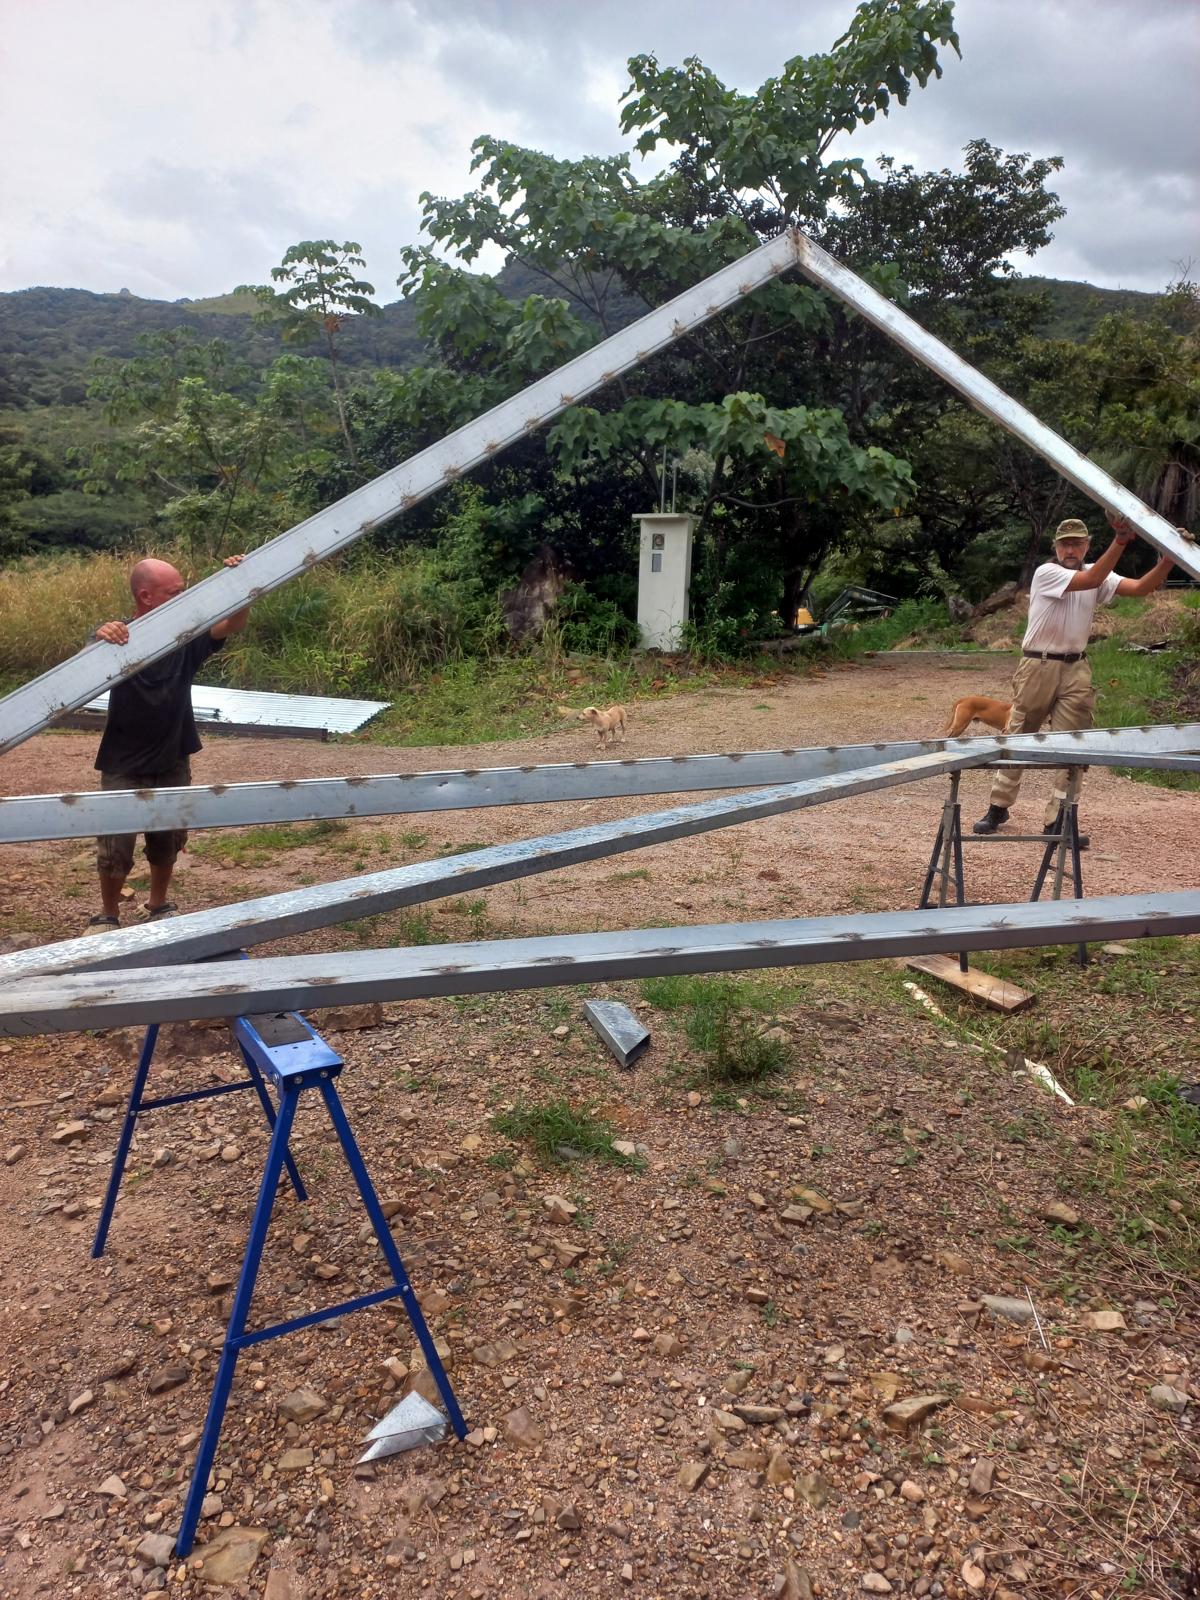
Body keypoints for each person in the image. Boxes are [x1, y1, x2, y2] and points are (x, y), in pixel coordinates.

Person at [973, 513, 1175, 842]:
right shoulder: (1047, 572)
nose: (1070, 550)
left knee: (1074, 743)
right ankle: (998, 806)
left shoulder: (1098, 573)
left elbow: (1141, 588)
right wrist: (1121, 540)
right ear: (1056, 547)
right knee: (1020, 734)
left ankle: (1060, 818)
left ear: (1086, 546)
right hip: (1038, 664)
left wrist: (1168, 559)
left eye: (1077, 544)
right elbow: (1091, 579)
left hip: (1076, 666)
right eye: (1065, 544)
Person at [89, 553, 250, 927]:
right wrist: (99, 638)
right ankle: (108, 916)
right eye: (174, 592)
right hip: (123, 762)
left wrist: (242, 583)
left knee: (167, 838)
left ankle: (158, 905)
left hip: (173, 755)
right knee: (115, 842)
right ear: (146, 596)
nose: (184, 596)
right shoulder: (117, 637)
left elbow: (232, 623)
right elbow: (79, 667)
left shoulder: (186, 638)